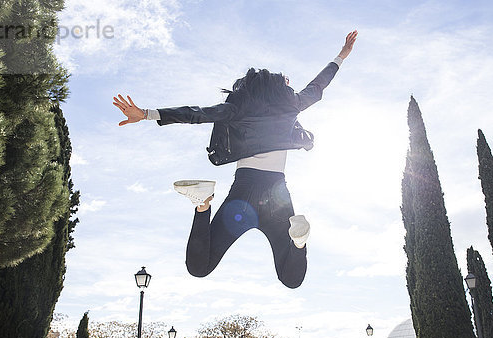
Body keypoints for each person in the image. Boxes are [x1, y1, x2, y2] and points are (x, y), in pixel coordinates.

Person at [113, 31, 357, 289]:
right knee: (292, 279)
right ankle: (300, 240)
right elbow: (317, 86)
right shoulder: (292, 104)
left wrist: (148, 114)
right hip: (278, 196)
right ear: (278, 88)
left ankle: (202, 205)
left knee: (199, 267)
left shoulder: (238, 107)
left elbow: (197, 114)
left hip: (243, 193)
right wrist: (341, 55)